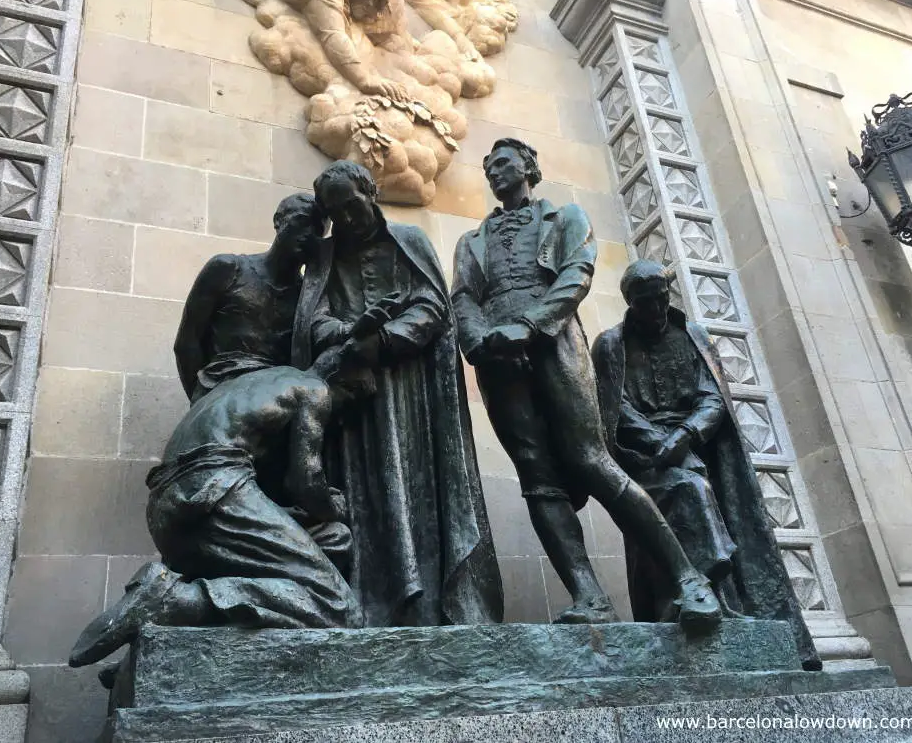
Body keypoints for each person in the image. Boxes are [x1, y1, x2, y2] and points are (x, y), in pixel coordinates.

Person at [450, 138, 721, 630]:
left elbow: (577, 273)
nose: (494, 172)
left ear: (530, 168)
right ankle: (590, 597)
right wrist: (480, 343)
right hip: (498, 363)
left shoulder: (567, 217)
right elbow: (463, 297)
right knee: (537, 479)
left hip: (555, 343)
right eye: (488, 167)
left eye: (505, 163)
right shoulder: (470, 242)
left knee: (590, 460)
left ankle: (689, 580)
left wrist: (530, 324)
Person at [292, 160, 503, 627]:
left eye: (353, 205)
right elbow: (313, 318)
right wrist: (350, 335)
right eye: (336, 212)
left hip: (414, 394)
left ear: (370, 193)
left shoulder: (408, 241)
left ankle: (430, 603)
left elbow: (433, 306)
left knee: (418, 488)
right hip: (353, 399)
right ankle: (368, 604)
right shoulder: (325, 260)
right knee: (362, 493)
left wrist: (385, 339)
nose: (348, 219)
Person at [68, 346, 369, 670]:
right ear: (337, 376)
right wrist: (332, 506)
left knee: (331, 538)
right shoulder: (314, 388)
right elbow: (306, 482)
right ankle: (171, 602)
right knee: (339, 608)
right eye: (351, 395)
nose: (341, 413)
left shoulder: (254, 382)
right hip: (216, 489)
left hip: (169, 506)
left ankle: (161, 644)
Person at [591, 259, 821, 669]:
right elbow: (614, 407)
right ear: (630, 303)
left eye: (662, 299)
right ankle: (693, 596)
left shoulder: (692, 335)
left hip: (698, 448)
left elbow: (712, 398)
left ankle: (718, 599)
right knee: (688, 488)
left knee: (699, 485)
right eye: (646, 303)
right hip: (642, 455)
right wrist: (657, 441)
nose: (657, 310)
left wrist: (685, 436)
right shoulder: (611, 345)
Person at [173, 192, 322, 404]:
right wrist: (200, 401)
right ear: (278, 221)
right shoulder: (227, 269)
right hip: (222, 387)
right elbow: (187, 342)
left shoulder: (309, 299)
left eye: (318, 230)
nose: (309, 234)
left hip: (278, 395)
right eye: (302, 222)